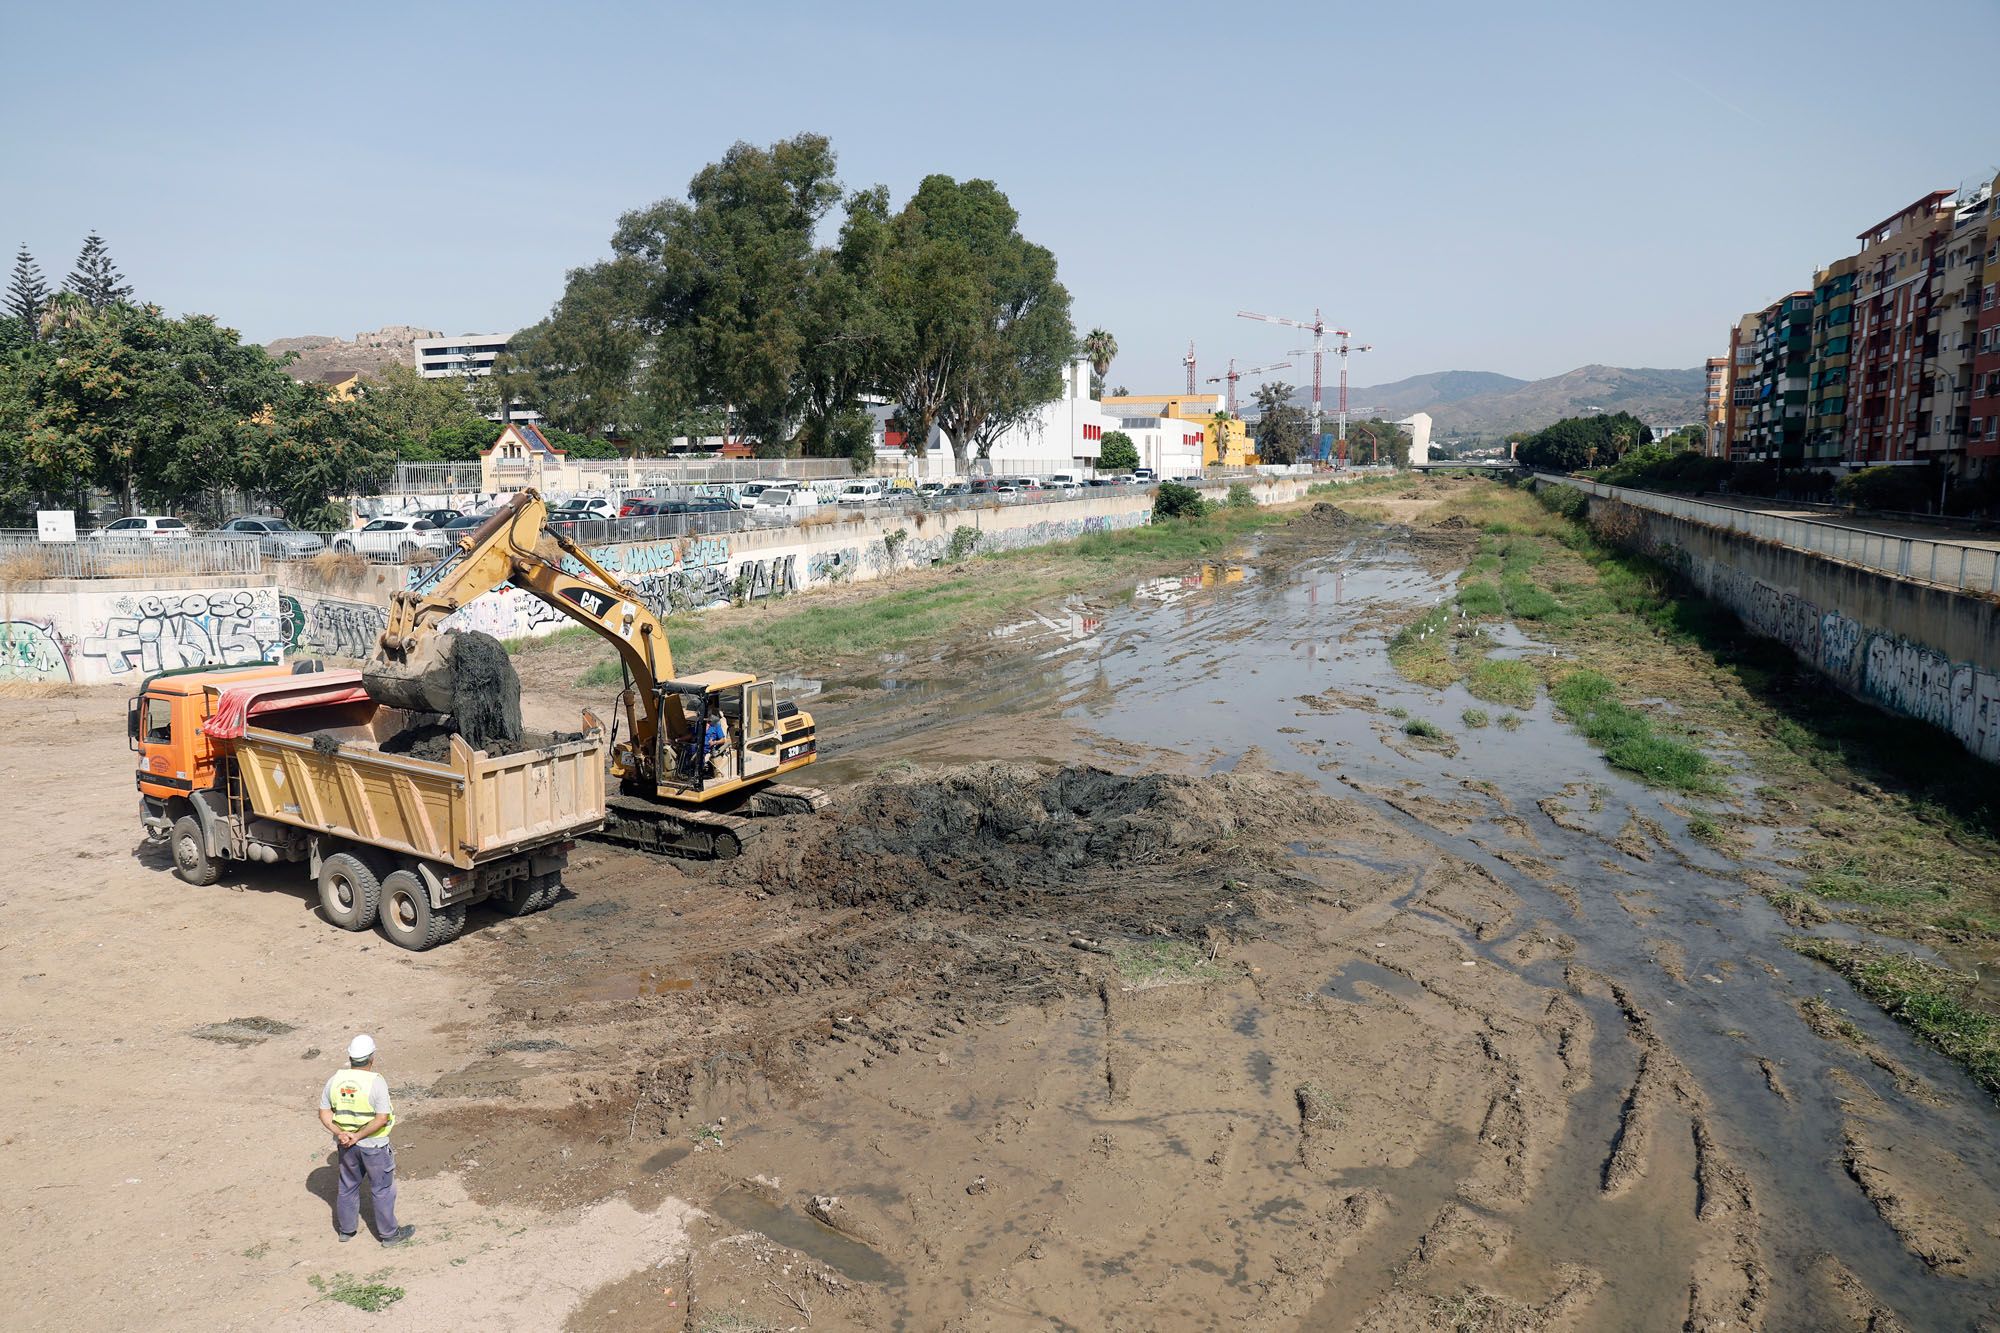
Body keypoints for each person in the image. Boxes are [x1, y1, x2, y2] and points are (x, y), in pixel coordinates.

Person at [318, 1033, 413, 1246]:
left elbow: (324, 1112)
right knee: (382, 1189)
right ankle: (389, 1235)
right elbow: (381, 1119)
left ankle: (346, 1231)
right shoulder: (376, 1083)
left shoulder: (335, 1081)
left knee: (347, 1186)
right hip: (374, 1145)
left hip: (346, 1145)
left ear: (350, 1057)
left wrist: (340, 1133)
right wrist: (359, 1135)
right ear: (372, 1057)